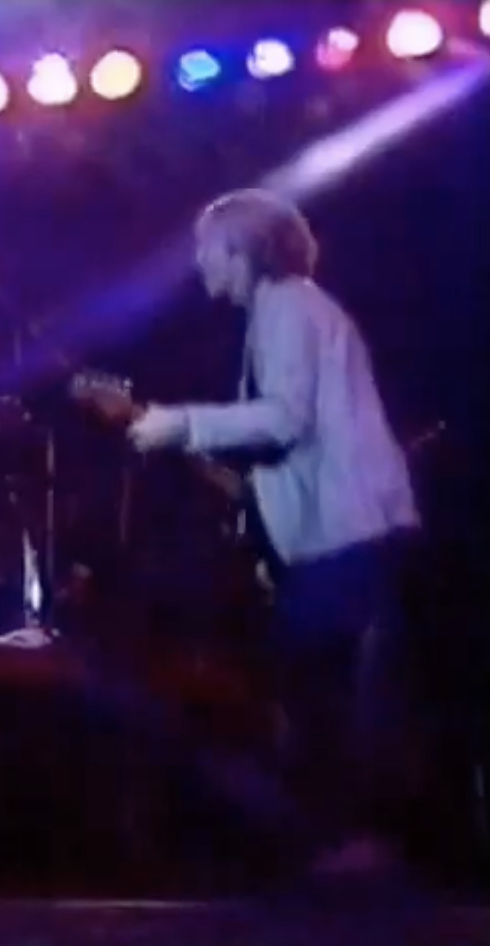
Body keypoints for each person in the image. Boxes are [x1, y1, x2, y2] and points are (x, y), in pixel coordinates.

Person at [125, 189, 420, 878]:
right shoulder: (289, 309)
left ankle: (346, 850)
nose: (199, 260)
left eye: (207, 246)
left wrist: (181, 425)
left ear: (241, 250)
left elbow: (285, 418)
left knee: (310, 695)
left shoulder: (285, 305)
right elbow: (291, 444)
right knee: (319, 695)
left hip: (350, 533)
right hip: (347, 532)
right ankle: (348, 851)